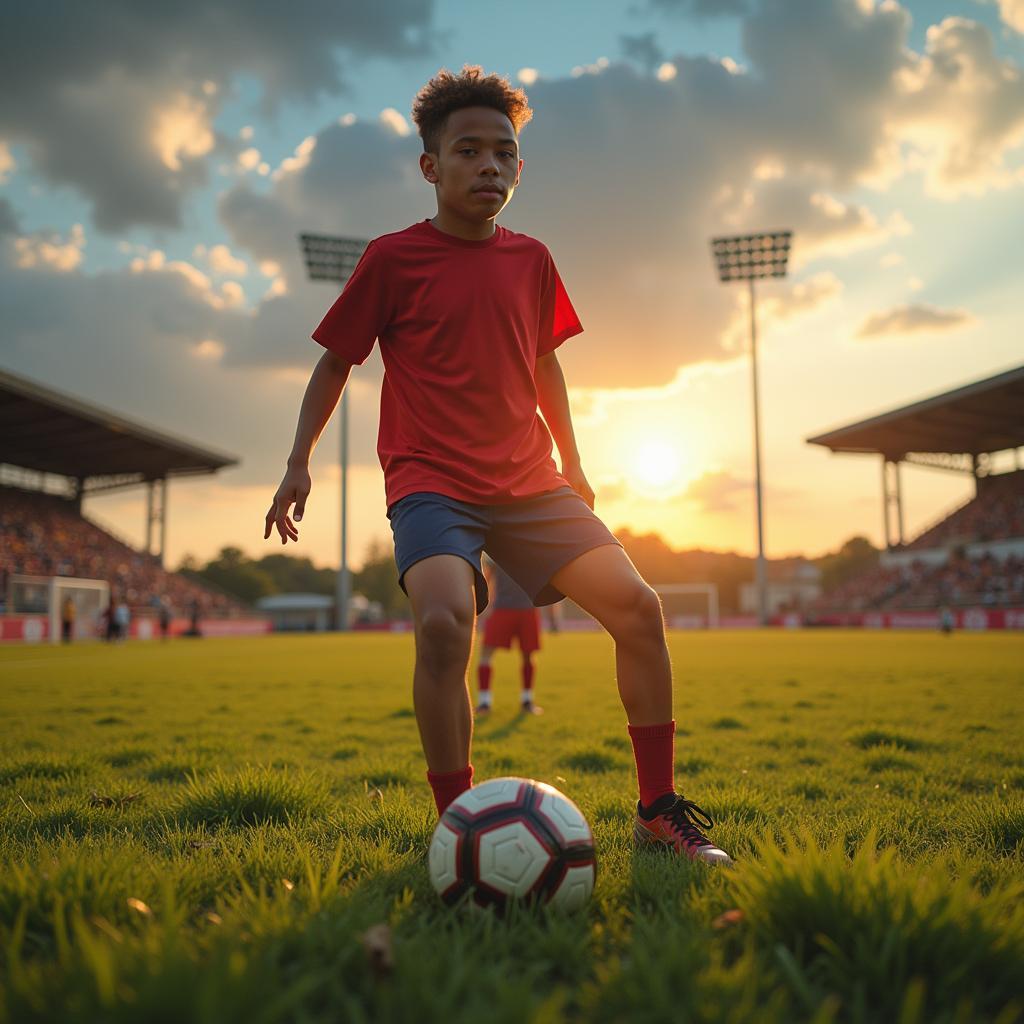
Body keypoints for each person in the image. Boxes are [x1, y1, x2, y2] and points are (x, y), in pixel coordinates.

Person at [264, 66, 731, 865]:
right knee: (446, 622)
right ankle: (457, 824)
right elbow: (336, 363)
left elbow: (546, 367)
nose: (489, 165)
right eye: (468, 150)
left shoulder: (533, 260)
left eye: (503, 153)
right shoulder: (391, 258)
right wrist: (298, 461)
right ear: (430, 168)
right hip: (430, 481)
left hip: (530, 481)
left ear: (521, 168)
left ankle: (657, 811)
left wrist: (576, 465)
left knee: (639, 609)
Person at [476, 558, 543, 716]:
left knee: (528, 655)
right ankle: (484, 702)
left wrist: (553, 615)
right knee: (486, 654)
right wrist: (483, 607)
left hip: (528, 609)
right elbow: (487, 578)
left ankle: (527, 700)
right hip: (502, 608)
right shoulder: (496, 547)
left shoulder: (533, 550)